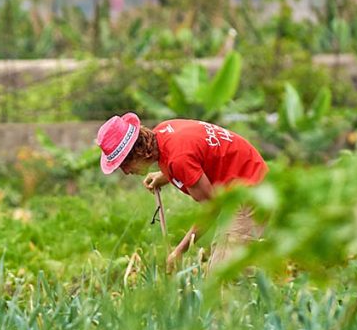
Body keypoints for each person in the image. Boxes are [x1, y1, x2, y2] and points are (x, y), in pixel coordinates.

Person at [96, 112, 268, 270]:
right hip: (244, 181)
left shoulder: (179, 160)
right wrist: (164, 176)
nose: (126, 172)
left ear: (137, 152)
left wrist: (179, 251)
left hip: (251, 192)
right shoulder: (163, 132)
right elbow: (196, 157)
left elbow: (212, 209)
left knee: (224, 278)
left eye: (124, 165)